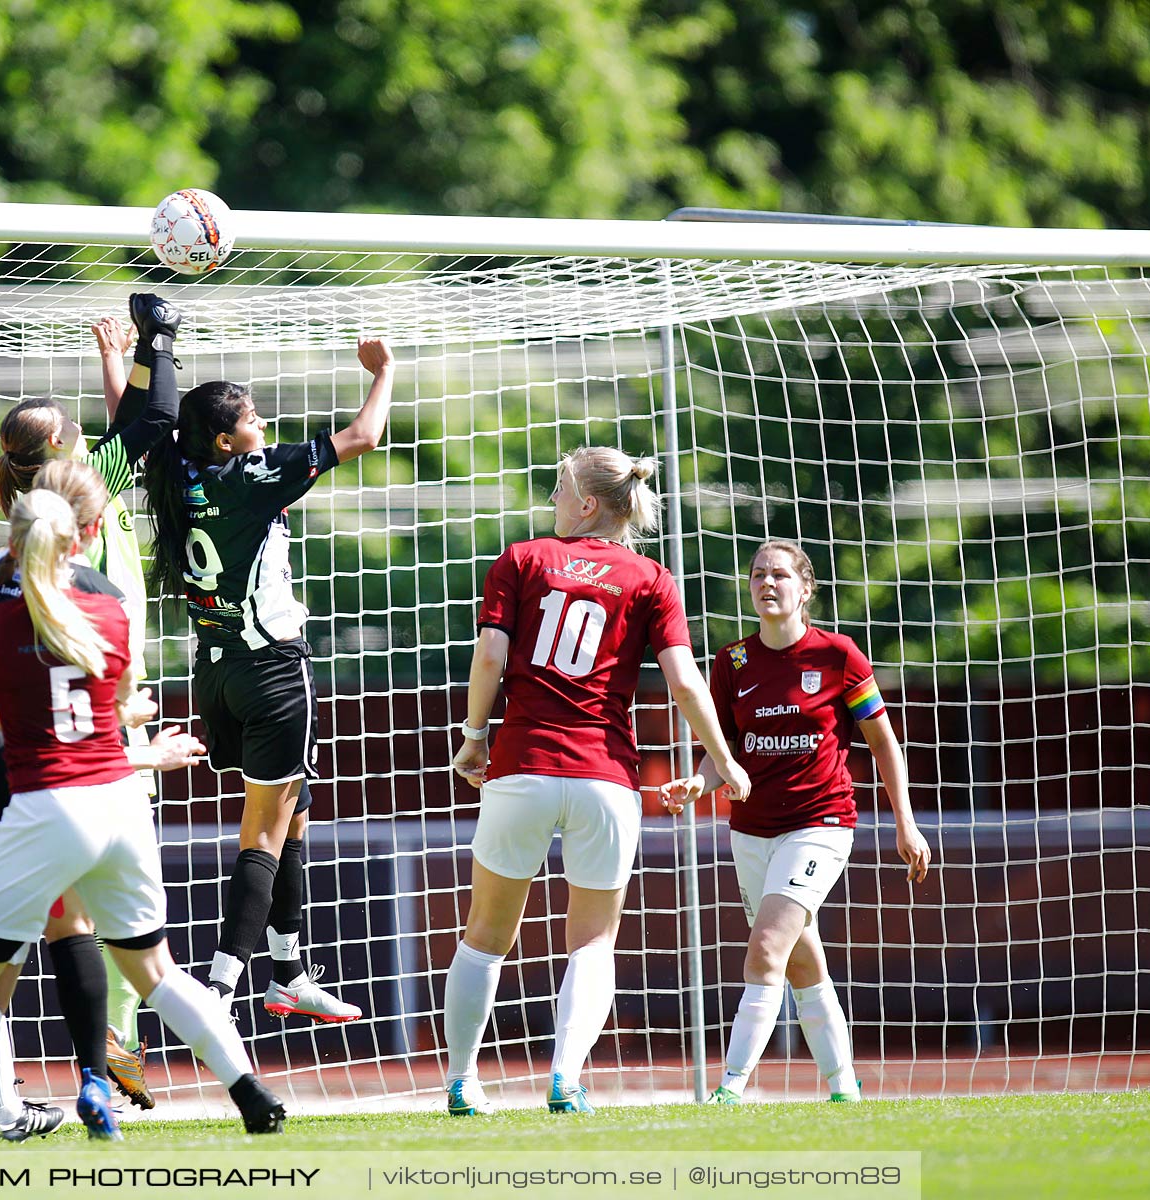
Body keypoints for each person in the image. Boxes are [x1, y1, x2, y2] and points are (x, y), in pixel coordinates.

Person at [0, 477, 285, 1143]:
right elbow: (110, 708)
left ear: (13, 542)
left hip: (50, 805)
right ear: (77, 539)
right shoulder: (109, 614)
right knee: (156, 971)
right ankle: (250, 1091)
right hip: (119, 804)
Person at [442, 448, 752, 1116]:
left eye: (559, 488)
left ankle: (464, 1083)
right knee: (592, 942)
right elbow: (684, 682)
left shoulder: (521, 559)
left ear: (587, 503)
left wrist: (473, 737)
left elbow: (490, 655)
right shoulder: (651, 577)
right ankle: (567, 1080)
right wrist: (721, 759)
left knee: (485, 939)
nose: (553, 499)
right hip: (606, 778)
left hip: (521, 766)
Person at [0, 296, 182, 1115]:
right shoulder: (79, 494)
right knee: (110, 909)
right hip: (101, 715)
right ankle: (112, 1052)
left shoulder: (20, 517)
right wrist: (156, 339)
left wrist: (125, 363)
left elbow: (130, 430)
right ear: (69, 454)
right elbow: (151, 426)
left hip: (13, 740)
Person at [139, 337, 396, 1022]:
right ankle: (219, 992)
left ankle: (287, 972)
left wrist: (130, 357)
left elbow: (136, 418)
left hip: (216, 672)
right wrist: (385, 372)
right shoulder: (253, 473)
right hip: (274, 670)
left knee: (294, 815)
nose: (262, 427)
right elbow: (365, 434)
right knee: (263, 832)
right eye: (251, 418)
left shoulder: (172, 470)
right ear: (226, 440)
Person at [661, 540, 930, 1105]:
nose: (767, 583)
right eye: (758, 574)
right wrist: (699, 781)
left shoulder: (839, 656)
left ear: (805, 588)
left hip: (821, 823)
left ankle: (729, 1088)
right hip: (750, 829)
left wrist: (905, 824)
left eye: (780, 575)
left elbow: (883, 744)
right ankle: (843, 1085)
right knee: (801, 959)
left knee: (765, 949)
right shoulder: (732, 662)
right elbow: (724, 752)